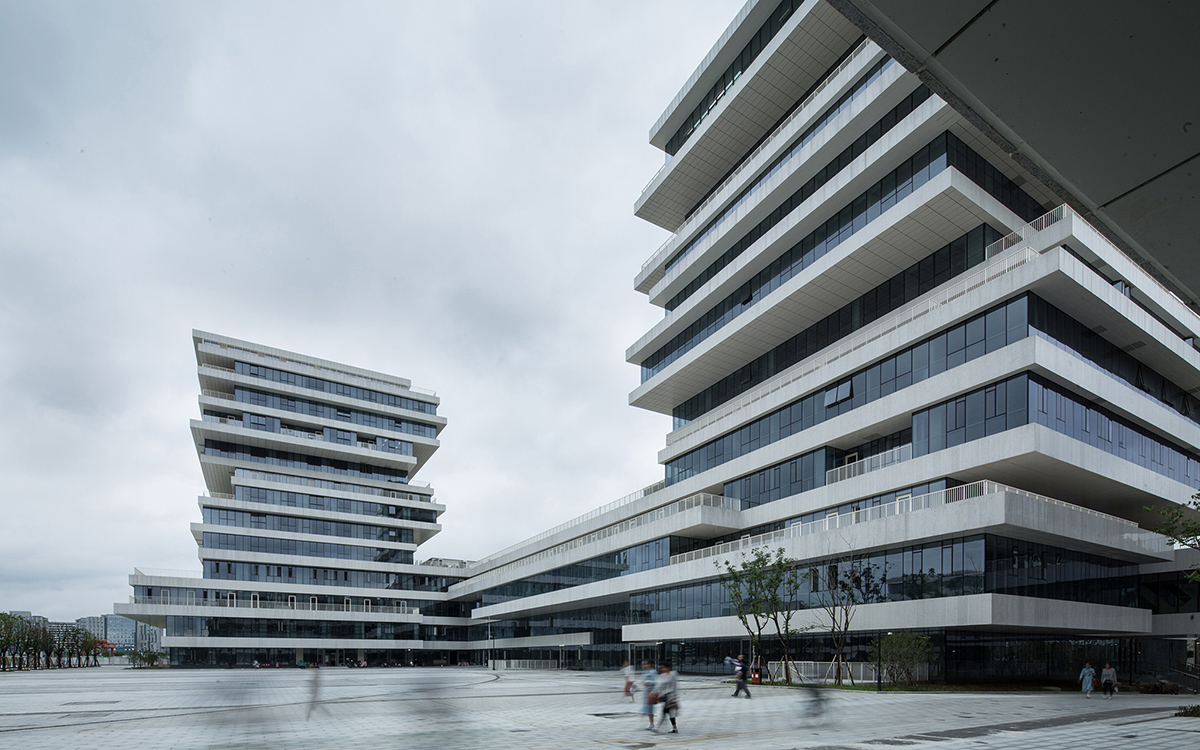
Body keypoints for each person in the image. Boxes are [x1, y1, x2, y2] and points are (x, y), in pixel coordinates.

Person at [654, 660, 680, 734]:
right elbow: (659, 686)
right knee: (669, 713)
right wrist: (656, 694)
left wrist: (675, 697)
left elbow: (674, 686)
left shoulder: (673, 674)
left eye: (663, 668)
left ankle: (657, 727)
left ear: (668, 667)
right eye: (660, 668)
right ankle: (674, 728)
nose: (662, 669)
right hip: (664, 697)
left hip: (671, 696)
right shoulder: (662, 676)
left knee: (665, 712)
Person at [637, 659, 657, 730]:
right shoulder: (645, 672)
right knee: (647, 708)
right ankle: (650, 723)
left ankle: (651, 723)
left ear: (650, 664)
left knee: (649, 709)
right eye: (643, 664)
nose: (644, 666)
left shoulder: (653, 672)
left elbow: (654, 682)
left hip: (651, 692)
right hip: (646, 692)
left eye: (646, 664)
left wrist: (647, 682)